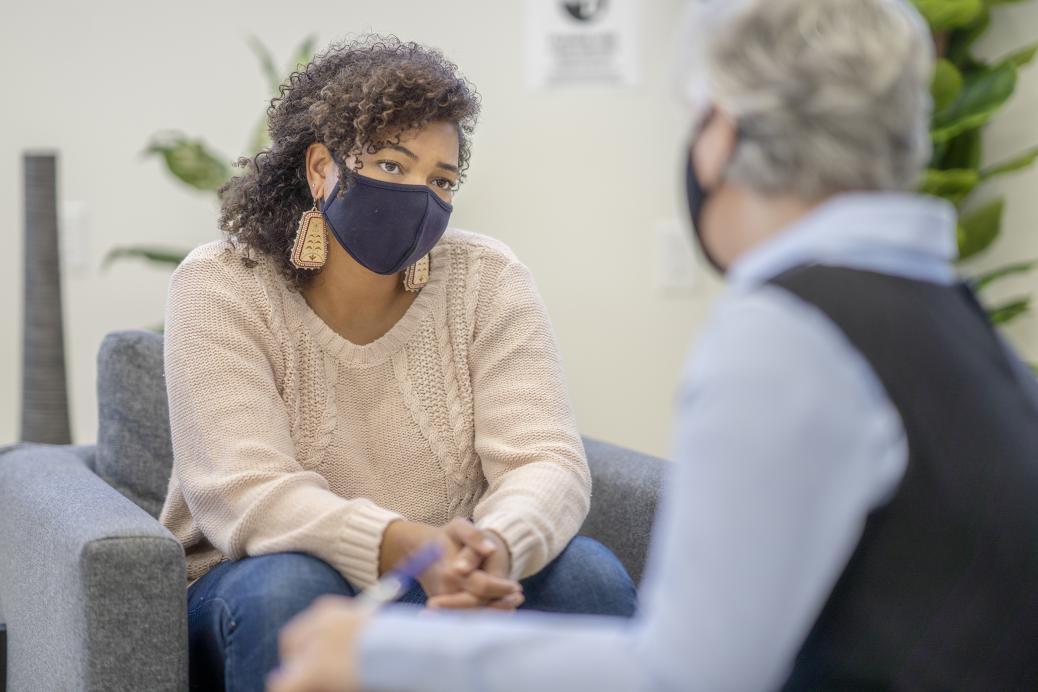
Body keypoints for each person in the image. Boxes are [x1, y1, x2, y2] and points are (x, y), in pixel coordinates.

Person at [267, 1, 1038, 690]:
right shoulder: (962, 325)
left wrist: (377, 654)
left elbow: (690, 673)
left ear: (721, 135)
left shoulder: (788, 333)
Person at [157, 35, 637, 692]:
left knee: (588, 577)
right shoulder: (222, 284)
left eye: (441, 180)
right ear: (322, 169)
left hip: (444, 583)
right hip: (256, 585)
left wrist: (493, 547)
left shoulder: (487, 279)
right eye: (391, 165)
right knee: (294, 585)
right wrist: (403, 545)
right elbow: (244, 490)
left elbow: (544, 460)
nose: (420, 194)